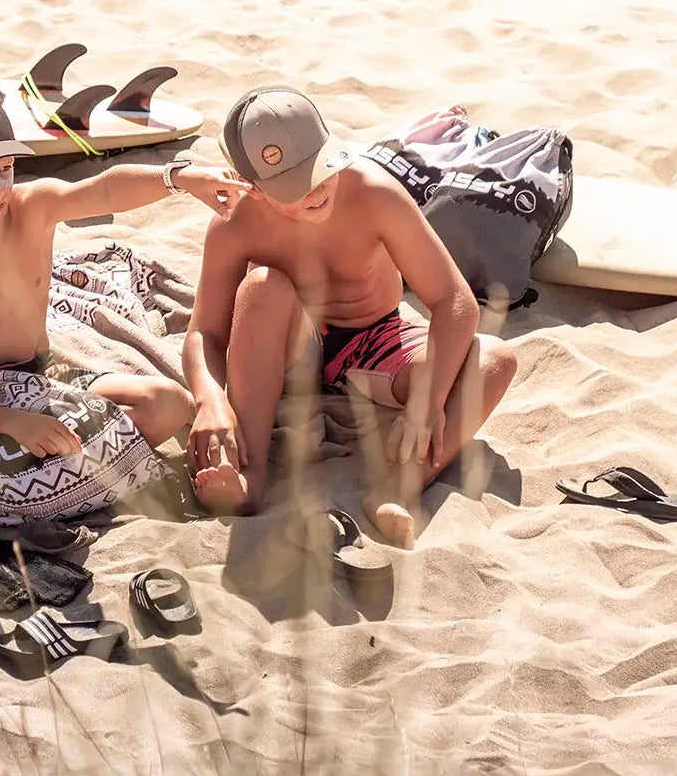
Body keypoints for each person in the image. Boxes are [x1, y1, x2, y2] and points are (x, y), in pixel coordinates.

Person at [184, 86, 517, 545]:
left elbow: (454, 300)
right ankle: (251, 472)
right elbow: (204, 332)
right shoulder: (234, 222)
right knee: (262, 287)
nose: (316, 190)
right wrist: (208, 398)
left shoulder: (373, 191)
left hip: (371, 340)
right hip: (284, 352)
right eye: (295, 186)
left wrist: (428, 400)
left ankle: (396, 489)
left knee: (494, 360)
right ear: (254, 188)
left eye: (321, 169)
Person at [0, 85, 245, 504]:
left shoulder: (32, 208)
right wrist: (14, 424)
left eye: (5, 169)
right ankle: (58, 480)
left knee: (169, 403)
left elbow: (104, 190)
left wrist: (178, 178)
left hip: (39, 378)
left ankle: (27, 487)